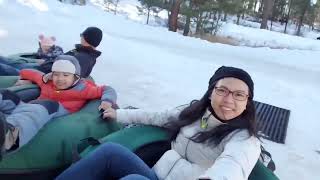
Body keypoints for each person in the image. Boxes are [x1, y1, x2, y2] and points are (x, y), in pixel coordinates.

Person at [55, 66, 261, 180]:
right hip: (156, 175)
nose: (228, 100)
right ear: (211, 93)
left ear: (247, 102)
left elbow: (232, 166)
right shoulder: (194, 113)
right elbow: (157, 116)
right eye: (222, 90)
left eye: (239, 95)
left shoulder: (244, 140)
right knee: (110, 152)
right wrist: (119, 115)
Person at [0, 55, 117, 159]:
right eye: (56, 74)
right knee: (6, 95)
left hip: (49, 111)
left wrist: (107, 101)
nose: (60, 79)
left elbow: (107, 89)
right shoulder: (46, 80)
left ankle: (8, 137)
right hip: (27, 109)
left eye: (66, 75)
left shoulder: (83, 89)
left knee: (46, 105)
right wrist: (27, 80)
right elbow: (27, 71)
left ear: (75, 77)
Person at [38, 26, 103, 78]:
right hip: (46, 67)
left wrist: (46, 65)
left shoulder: (83, 58)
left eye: (81, 35)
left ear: (86, 38)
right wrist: (48, 61)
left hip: (45, 74)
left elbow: (65, 77)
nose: (80, 37)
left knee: (28, 69)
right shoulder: (81, 52)